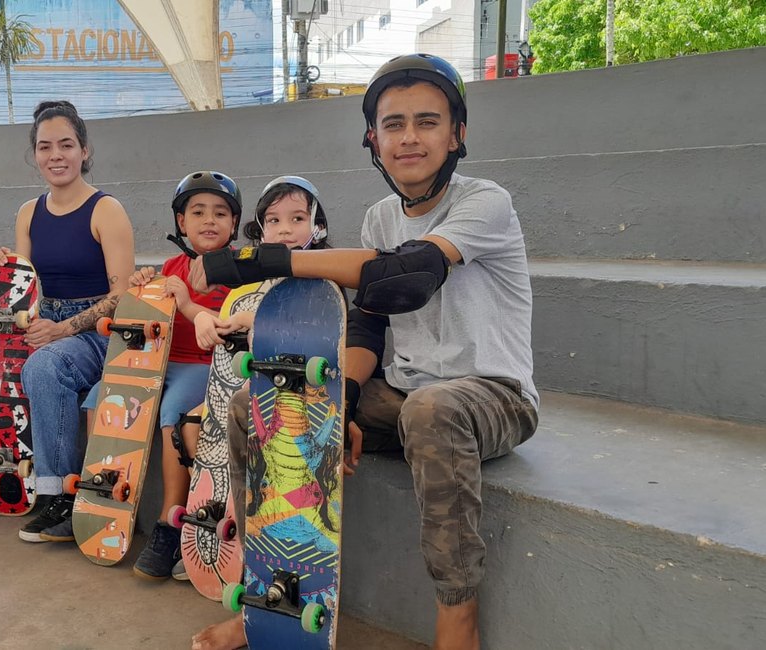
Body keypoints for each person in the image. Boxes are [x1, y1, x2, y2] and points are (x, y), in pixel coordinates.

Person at [189, 54, 539, 650]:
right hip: (401, 392)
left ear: (457, 134)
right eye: (393, 123)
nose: (409, 137)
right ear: (372, 138)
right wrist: (344, 401)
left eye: (427, 122)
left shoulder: (487, 202)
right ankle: (268, 599)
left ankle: (459, 619)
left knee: (432, 409)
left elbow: (406, 276)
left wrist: (259, 258)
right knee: (259, 403)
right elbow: (370, 325)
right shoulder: (381, 217)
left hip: (491, 394)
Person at [0, 101, 136, 543]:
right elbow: (25, 282)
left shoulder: (106, 210)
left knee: (43, 365)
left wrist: (64, 329)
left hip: (93, 331)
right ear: (35, 154)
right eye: (45, 147)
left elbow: (122, 297)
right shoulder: (29, 211)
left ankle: (59, 492)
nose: (55, 155)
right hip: (36, 321)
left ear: (84, 150)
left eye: (66, 145)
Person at [169, 175, 333, 584]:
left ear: (318, 227)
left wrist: (249, 321)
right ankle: (232, 540)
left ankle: (256, 548)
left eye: (298, 218)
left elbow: (308, 332)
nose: (286, 229)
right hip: (261, 390)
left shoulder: (324, 279)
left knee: (242, 417)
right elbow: (247, 322)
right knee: (192, 426)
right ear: (261, 233)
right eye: (274, 222)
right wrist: (221, 321)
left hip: (307, 400)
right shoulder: (260, 283)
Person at [79, 171, 241, 579]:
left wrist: (185, 299)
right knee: (98, 396)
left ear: (234, 224)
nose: (209, 220)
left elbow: (225, 333)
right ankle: (103, 496)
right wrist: (140, 286)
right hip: (158, 361)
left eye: (220, 213)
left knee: (171, 412)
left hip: (204, 367)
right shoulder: (172, 265)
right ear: (181, 223)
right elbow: (146, 312)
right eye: (198, 212)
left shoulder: (240, 270)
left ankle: (170, 520)